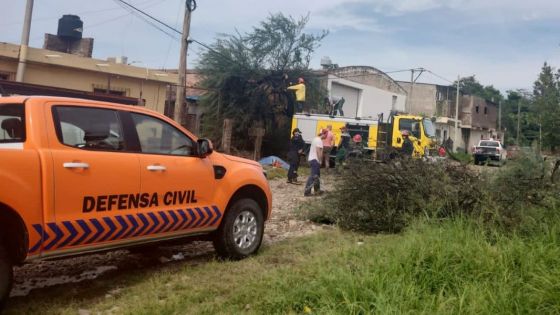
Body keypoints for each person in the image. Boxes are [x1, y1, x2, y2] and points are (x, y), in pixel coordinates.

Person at [304, 130, 325, 196]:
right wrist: (320, 160)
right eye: (326, 135)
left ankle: (317, 190)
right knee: (313, 176)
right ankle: (307, 192)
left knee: (317, 176)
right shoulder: (319, 141)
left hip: (312, 159)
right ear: (324, 134)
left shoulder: (315, 139)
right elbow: (318, 151)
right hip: (315, 160)